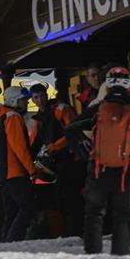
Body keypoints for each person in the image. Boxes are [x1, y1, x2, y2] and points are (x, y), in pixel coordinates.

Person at [66, 66, 130, 256]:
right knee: (123, 215)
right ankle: (120, 254)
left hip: (98, 169)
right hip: (125, 171)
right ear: (129, 84)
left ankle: (93, 252)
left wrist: (83, 150)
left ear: (108, 84)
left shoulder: (98, 108)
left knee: (94, 214)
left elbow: (71, 129)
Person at [28, 79, 83, 236]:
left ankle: (75, 232)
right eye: (36, 97)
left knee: (70, 198)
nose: (40, 100)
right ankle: (68, 232)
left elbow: (73, 131)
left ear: (47, 95)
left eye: (42, 96)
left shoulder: (60, 110)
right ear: (33, 100)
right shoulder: (40, 118)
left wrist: (55, 146)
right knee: (61, 199)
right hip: (58, 164)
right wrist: (27, 162)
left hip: (72, 160)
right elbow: (36, 142)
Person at [0, 86, 37, 242]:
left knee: (12, 211)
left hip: (4, 173)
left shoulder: (1, 117)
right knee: (27, 207)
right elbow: (19, 147)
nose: (26, 103)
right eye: (23, 100)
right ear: (14, 101)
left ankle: (6, 242)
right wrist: (32, 170)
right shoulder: (12, 117)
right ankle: (13, 240)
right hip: (15, 172)